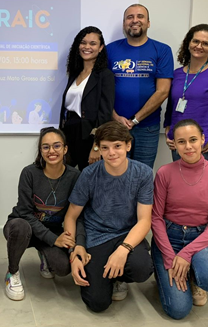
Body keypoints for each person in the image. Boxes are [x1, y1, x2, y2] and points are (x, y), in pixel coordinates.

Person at [64, 121, 153, 312]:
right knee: (97, 303)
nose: (111, 153)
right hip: (96, 237)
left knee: (142, 268)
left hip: (126, 234)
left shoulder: (143, 174)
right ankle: (106, 276)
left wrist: (123, 250)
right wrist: (73, 252)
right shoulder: (88, 174)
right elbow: (71, 216)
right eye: (105, 147)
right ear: (98, 149)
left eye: (117, 146)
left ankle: (119, 276)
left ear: (128, 145)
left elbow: (145, 220)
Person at [152, 119, 208, 320]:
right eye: (181, 142)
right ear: (174, 144)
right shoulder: (164, 173)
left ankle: (194, 274)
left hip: (200, 238)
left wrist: (186, 254)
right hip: (169, 239)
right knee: (178, 310)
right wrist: (170, 257)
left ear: (203, 139)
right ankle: (167, 272)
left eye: (193, 140)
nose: (188, 146)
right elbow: (156, 218)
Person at [3, 127, 80, 300]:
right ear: (40, 151)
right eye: (45, 147)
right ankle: (12, 272)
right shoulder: (29, 173)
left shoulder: (75, 176)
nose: (51, 151)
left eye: (57, 146)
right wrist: (54, 240)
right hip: (23, 226)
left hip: (53, 229)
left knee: (62, 268)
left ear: (65, 149)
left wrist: (70, 243)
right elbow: (24, 212)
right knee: (20, 227)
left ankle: (45, 255)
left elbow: (77, 214)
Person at [107, 4, 173, 168]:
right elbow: (102, 90)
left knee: (142, 175)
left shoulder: (162, 50)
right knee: (115, 173)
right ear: (124, 24)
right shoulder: (109, 50)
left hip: (147, 128)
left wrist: (135, 120)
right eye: (130, 17)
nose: (135, 20)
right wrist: (116, 118)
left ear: (148, 23)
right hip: (115, 126)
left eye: (140, 16)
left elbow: (163, 91)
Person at [164, 24, 208, 167]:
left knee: (204, 188)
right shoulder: (177, 74)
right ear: (188, 43)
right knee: (182, 185)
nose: (199, 46)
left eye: (206, 43)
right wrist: (168, 132)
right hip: (179, 142)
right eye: (195, 41)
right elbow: (171, 108)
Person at [60, 26, 115, 170]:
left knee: (90, 181)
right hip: (69, 134)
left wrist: (96, 146)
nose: (87, 47)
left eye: (93, 43)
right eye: (83, 42)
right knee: (67, 180)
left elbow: (105, 114)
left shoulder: (105, 75)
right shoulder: (74, 73)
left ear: (101, 47)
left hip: (89, 136)